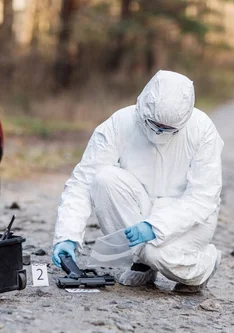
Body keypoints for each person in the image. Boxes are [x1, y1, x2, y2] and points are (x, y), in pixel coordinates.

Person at [51, 70, 223, 293]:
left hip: (187, 218)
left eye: (168, 130)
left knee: (156, 253)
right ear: (142, 108)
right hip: (141, 204)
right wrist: (68, 236)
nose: (158, 133)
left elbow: (202, 198)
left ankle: (204, 265)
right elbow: (83, 182)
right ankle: (142, 264)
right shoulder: (119, 123)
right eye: (152, 124)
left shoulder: (203, 130)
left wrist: (156, 226)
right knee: (103, 178)